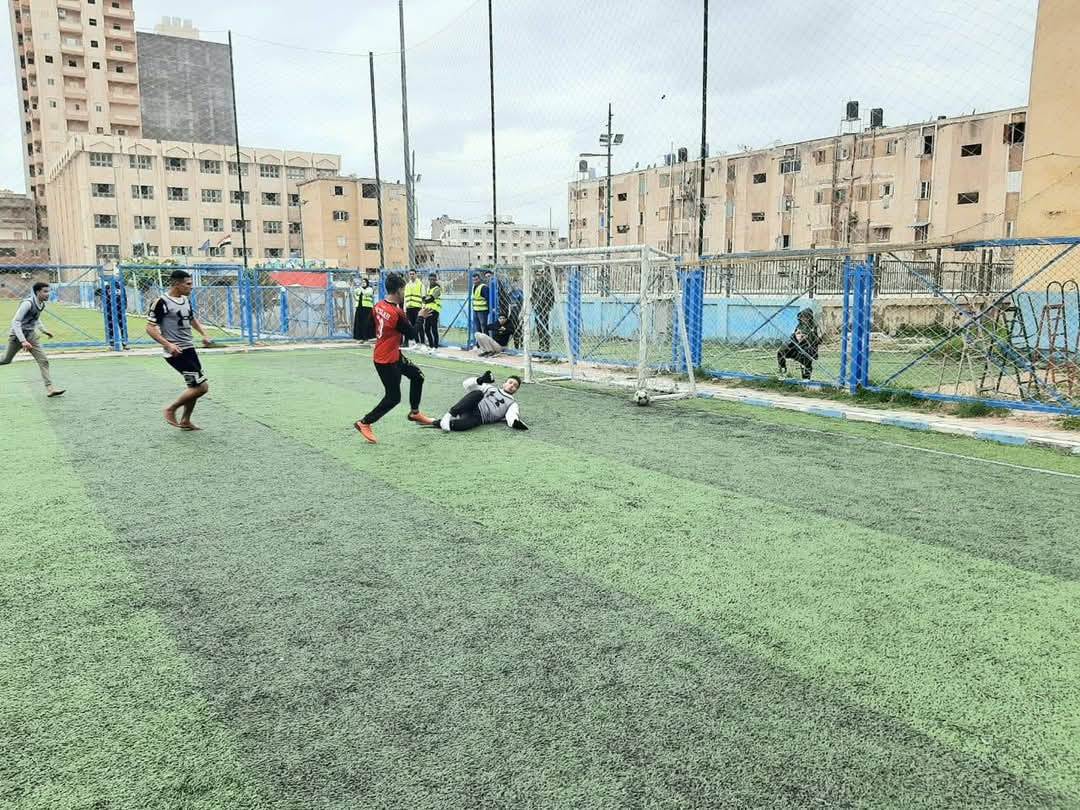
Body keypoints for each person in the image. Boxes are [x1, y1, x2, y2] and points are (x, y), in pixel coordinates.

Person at [354, 272, 435, 444]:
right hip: (386, 361)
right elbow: (412, 334)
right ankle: (364, 422)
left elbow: (369, 329)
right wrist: (421, 317)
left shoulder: (378, 306)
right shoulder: (397, 313)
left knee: (417, 376)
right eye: (403, 290)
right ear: (398, 290)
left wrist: (387, 335)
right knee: (393, 398)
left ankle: (414, 413)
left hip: (392, 354)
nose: (404, 293)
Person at [146, 270, 213, 430]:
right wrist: (168, 345)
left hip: (189, 348)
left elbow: (191, 319)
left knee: (193, 386)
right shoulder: (161, 302)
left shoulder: (185, 300)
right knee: (201, 387)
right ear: (177, 284)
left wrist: (204, 334)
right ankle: (171, 409)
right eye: (188, 284)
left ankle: (185, 420)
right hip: (176, 352)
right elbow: (150, 328)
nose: (191, 287)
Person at [0, 281, 65, 397]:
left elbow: (36, 318)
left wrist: (44, 330)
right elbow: (15, 322)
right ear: (37, 292)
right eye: (45, 291)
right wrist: (23, 341)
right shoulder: (27, 303)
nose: (48, 294)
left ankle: (50, 389)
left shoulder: (42, 304)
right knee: (6, 360)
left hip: (31, 335)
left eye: (49, 291)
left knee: (43, 360)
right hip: (17, 336)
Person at [429, 369, 528, 432]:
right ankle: (449, 415)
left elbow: (512, 415)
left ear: (516, 390)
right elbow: (466, 385)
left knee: (463, 426)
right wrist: (480, 380)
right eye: (510, 382)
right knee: (478, 393)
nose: (512, 386)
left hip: (480, 418)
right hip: (471, 405)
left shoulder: (512, 403)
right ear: (504, 383)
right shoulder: (491, 388)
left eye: (515, 386)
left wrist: (515, 423)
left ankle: (437, 422)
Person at [777, 307, 821, 380]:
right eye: (802, 317)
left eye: (806, 317)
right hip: (796, 348)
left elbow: (818, 340)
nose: (804, 319)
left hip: (808, 350)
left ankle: (806, 379)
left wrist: (806, 338)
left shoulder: (814, 326)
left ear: (810, 318)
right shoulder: (799, 325)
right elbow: (793, 338)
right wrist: (796, 336)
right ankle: (783, 368)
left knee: (806, 360)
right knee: (781, 351)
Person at [533, 270, 554, 353]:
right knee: (538, 327)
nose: (538, 276)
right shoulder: (534, 284)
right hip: (536, 309)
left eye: (539, 274)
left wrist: (548, 308)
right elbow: (532, 295)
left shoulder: (548, 284)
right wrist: (533, 304)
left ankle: (547, 346)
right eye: (537, 275)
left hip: (544, 309)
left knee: (545, 327)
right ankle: (541, 345)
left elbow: (552, 297)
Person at [420, 272, 441, 349]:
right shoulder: (428, 288)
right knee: (426, 329)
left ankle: (435, 347)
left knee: (434, 329)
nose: (432, 281)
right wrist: (425, 299)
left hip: (434, 310)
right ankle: (431, 345)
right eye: (430, 279)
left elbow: (431, 298)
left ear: (436, 280)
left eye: (433, 279)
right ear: (428, 280)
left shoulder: (437, 289)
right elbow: (425, 299)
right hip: (428, 310)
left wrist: (425, 299)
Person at [403, 269, 424, 346]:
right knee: (411, 326)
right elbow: (405, 297)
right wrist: (404, 308)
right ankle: (417, 342)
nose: (411, 275)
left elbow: (423, 297)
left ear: (416, 274)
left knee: (420, 326)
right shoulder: (407, 285)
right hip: (409, 308)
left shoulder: (420, 284)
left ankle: (422, 342)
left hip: (417, 308)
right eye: (410, 274)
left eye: (413, 274)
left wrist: (423, 308)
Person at [352, 275, 375, 341]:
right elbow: (354, 293)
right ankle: (359, 337)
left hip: (367, 308)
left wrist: (360, 288)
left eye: (364, 282)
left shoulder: (369, 289)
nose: (363, 283)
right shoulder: (359, 289)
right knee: (359, 323)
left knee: (367, 323)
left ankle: (368, 337)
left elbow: (366, 293)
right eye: (362, 282)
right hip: (359, 307)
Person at [472, 270, 493, 336]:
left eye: (476, 279)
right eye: (474, 280)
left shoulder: (484, 287)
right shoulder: (474, 287)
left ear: (479, 279)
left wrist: (489, 310)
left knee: (484, 327)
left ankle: (486, 341)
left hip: (483, 311)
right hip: (475, 310)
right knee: (477, 328)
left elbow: (488, 299)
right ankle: (479, 341)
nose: (475, 281)